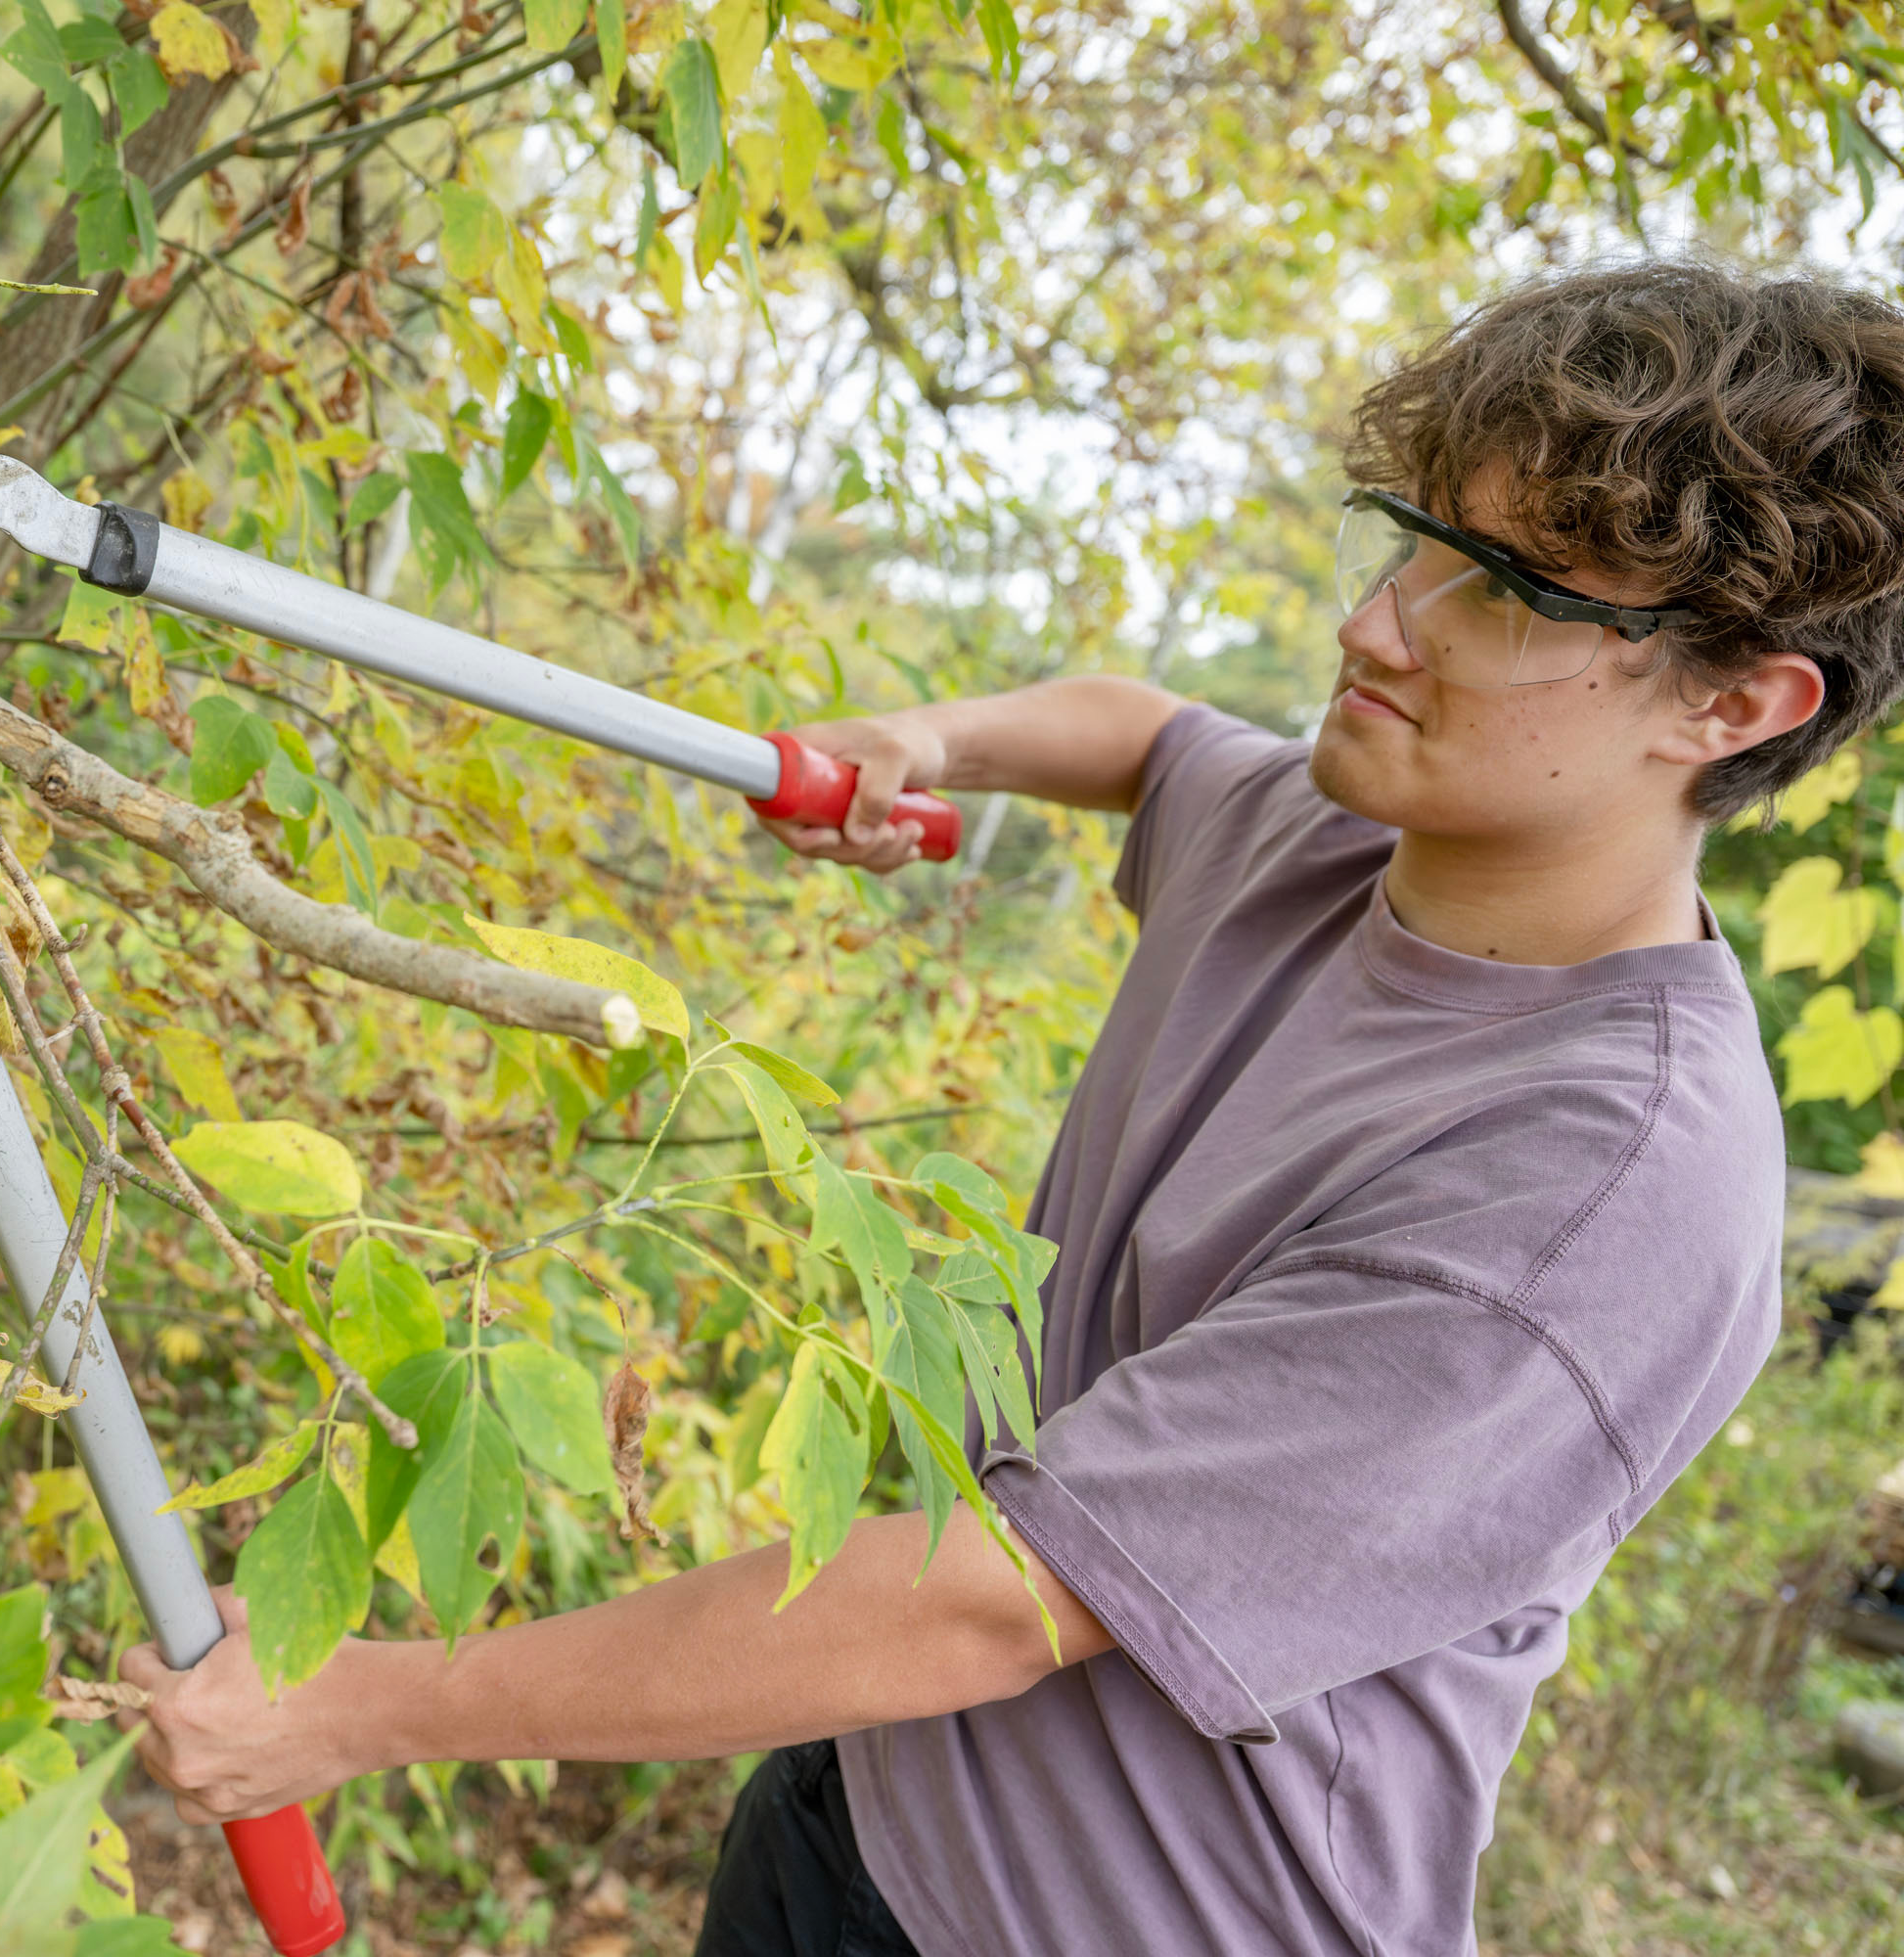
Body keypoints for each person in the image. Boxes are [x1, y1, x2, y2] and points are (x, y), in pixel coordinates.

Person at [118, 260, 1904, 1955]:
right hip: (858, 1802)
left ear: (1738, 703)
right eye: (1419, 538)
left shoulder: (1599, 1190)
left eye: (1511, 591)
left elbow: (997, 1593)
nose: (1380, 623)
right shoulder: (1345, 834)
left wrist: (368, 1709)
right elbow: (1147, 735)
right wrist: (935, 740)